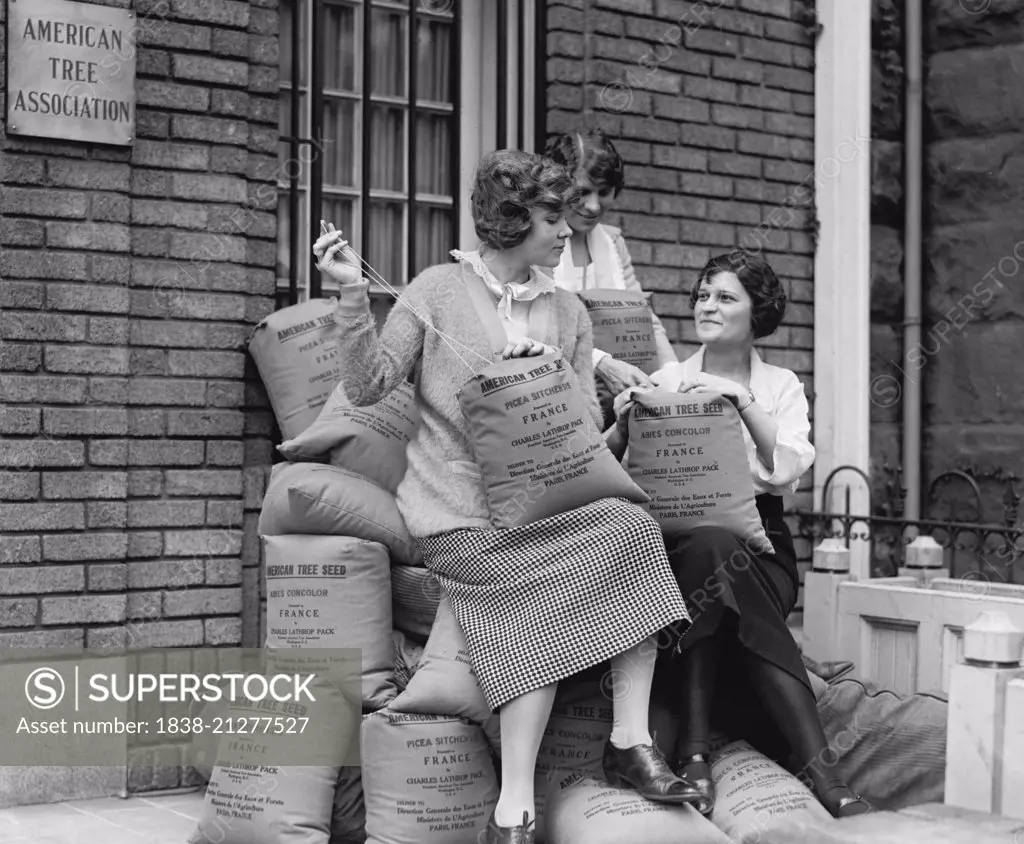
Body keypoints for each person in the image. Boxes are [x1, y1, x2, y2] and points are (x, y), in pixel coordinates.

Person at [313, 150, 702, 844]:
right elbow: (369, 384)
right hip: (458, 516)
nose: (567, 230)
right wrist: (350, 296)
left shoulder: (570, 311)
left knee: (633, 525)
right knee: (534, 588)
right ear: (514, 217)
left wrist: (552, 373)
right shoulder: (434, 291)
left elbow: (582, 431)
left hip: (549, 509)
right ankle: (514, 804)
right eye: (554, 216)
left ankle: (629, 737)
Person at [605, 250, 872, 819]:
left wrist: (741, 402)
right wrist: (623, 425)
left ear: (758, 313)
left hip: (765, 547)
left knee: (719, 554)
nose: (708, 305)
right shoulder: (666, 380)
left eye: (725, 297)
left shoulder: (780, 385)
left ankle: (694, 754)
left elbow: (790, 469)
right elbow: (618, 478)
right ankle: (826, 778)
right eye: (703, 294)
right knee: (709, 546)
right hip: (677, 550)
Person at [543, 130, 678, 424]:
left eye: (603, 192)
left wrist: (672, 376)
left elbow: (643, 321)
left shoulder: (614, 244)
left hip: (611, 405)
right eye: (581, 191)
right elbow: (535, 325)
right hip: (549, 405)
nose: (593, 206)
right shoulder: (539, 242)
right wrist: (602, 363)